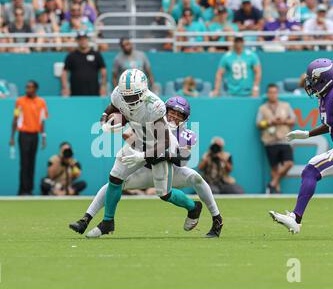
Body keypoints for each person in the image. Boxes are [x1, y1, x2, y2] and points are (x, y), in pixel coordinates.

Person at [70, 96, 223, 238]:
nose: (174, 117)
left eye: (179, 115)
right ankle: (86, 218)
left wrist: (155, 153)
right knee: (113, 184)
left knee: (196, 178)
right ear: (165, 111)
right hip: (144, 169)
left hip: (170, 171)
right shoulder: (150, 123)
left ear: (185, 119)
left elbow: (182, 160)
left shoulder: (186, 135)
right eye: (172, 112)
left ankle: (216, 218)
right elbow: (128, 137)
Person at [85, 69, 202, 238]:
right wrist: (105, 119)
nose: (129, 100)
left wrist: (143, 155)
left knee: (165, 194)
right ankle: (107, 221)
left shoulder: (155, 106)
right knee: (115, 177)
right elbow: (114, 107)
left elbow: (170, 148)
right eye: (126, 95)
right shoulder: (119, 94)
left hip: (160, 151)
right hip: (141, 146)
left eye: (133, 96)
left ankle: (194, 207)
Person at [270, 58, 333, 234]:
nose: (310, 83)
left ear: (324, 78)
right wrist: (307, 134)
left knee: (311, 169)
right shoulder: (326, 97)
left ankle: (296, 218)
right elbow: (332, 124)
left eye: (313, 80)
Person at [9, 81, 48, 195]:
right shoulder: (19, 101)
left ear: (36, 89)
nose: (27, 89)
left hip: (35, 135)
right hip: (23, 135)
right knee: (24, 163)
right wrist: (12, 136)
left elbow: (42, 121)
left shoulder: (41, 102)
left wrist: (43, 137)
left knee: (32, 162)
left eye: (30, 87)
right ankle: (22, 190)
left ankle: (29, 189)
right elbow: (15, 119)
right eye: (26, 87)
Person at [257, 84, 295, 194]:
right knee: (274, 167)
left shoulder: (285, 106)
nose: (272, 95)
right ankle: (276, 190)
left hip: (284, 138)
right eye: (270, 92)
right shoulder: (262, 108)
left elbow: (292, 120)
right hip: (270, 141)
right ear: (268, 94)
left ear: (277, 93)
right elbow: (259, 124)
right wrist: (270, 122)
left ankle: (272, 183)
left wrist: (283, 121)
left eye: (274, 92)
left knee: (289, 163)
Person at [60, 31, 107, 96]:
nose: (83, 41)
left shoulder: (96, 55)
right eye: (80, 39)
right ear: (77, 41)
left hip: (94, 91)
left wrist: (103, 87)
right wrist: (65, 88)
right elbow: (64, 72)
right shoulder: (71, 56)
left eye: (84, 39)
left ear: (87, 40)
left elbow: (103, 72)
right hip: (75, 92)